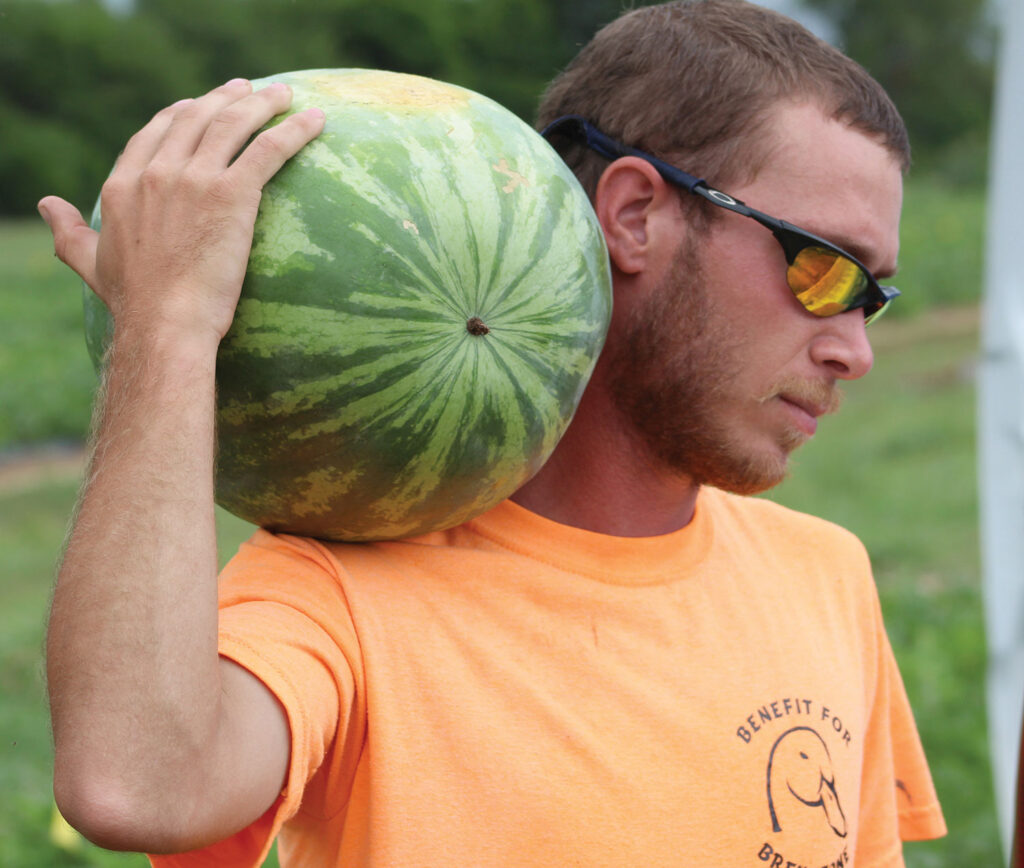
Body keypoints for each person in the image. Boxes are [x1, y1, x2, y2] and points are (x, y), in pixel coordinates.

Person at [40, 1, 947, 865]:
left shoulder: (826, 575)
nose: (856, 350)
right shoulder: (343, 593)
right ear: (636, 216)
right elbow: (134, 786)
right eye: (826, 271)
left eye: (876, 296)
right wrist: (165, 330)